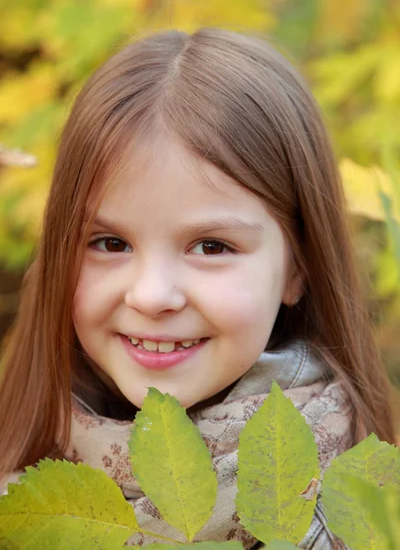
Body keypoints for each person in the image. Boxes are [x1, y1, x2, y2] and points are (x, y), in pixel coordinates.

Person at [0, 29, 395, 547]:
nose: (151, 295)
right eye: (110, 242)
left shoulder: (362, 514)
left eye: (211, 247)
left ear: (298, 269)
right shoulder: (21, 477)